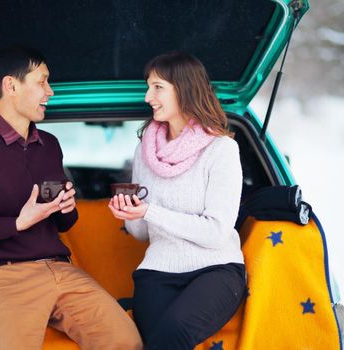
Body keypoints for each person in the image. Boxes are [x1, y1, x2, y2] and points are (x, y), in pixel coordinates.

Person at [0, 46, 142, 350]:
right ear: (11, 86)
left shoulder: (49, 144)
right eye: (42, 82)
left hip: (61, 269)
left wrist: (65, 207)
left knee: (126, 342)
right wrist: (17, 223)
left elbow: (63, 223)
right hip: (6, 277)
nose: (50, 91)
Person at [108, 51, 246, 349]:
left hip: (216, 270)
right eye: (149, 86)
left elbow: (217, 232)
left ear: (184, 89)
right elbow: (144, 233)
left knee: (174, 332)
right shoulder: (144, 150)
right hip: (156, 271)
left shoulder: (221, 150)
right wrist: (130, 215)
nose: (147, 97)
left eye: (157, 87)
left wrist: (151, 211)